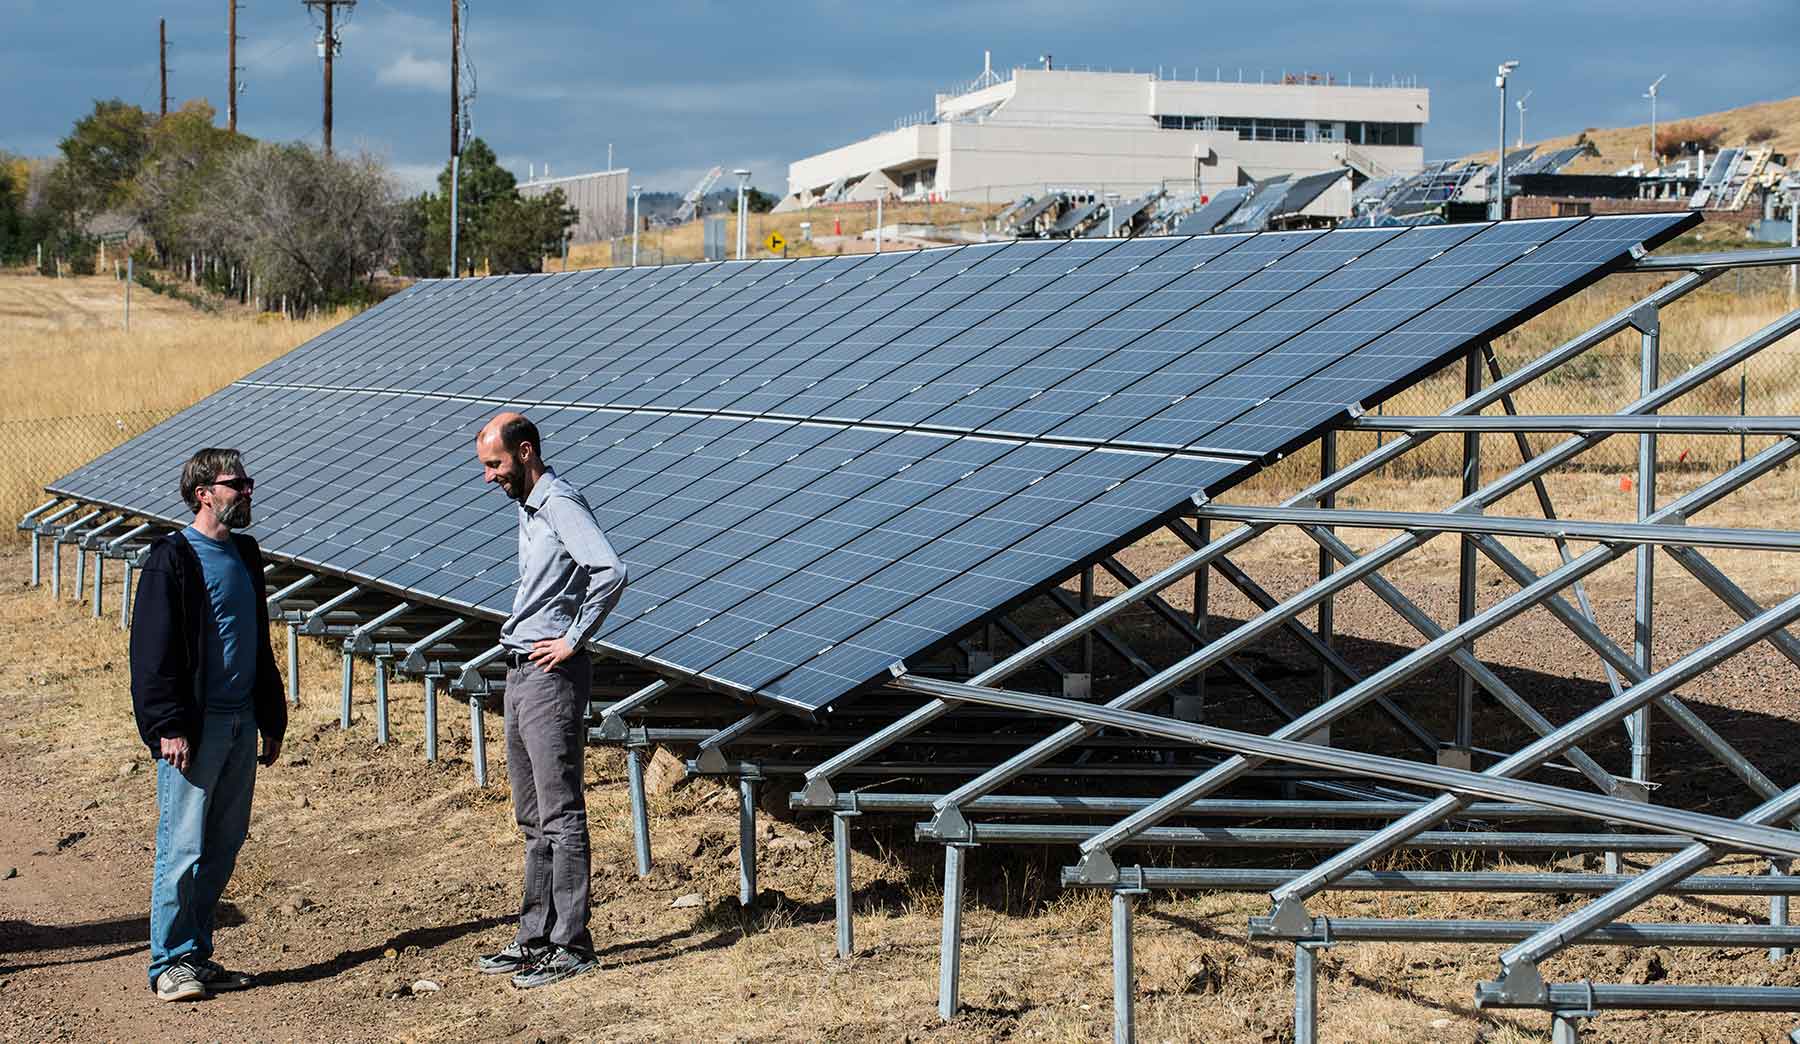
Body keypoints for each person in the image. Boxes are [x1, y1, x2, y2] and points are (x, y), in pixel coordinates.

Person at [473, 411, 627, 989]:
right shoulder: (530, 507)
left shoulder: (560, 503)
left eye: (495, 464)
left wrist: (572, 639)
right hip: (520, 671)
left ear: (527, 452)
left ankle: (572, 943)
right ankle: (534, 938)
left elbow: (610, 570)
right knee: (531, 815)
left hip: (548, 677)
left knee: (560, 814)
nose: (489, 477)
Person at [130, 448, 286, 1002]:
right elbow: (153, 654)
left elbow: (258, 643)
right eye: (236, 483)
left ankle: (195, 953)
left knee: (224, 842)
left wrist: (270, 716)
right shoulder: (170, 559)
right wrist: (168, 725)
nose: (247, 491)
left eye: (247, 482)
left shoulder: (245, 553)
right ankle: (168, 961)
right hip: (197, 729)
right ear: (204, 492)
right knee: (183, 846)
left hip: (242, 720)